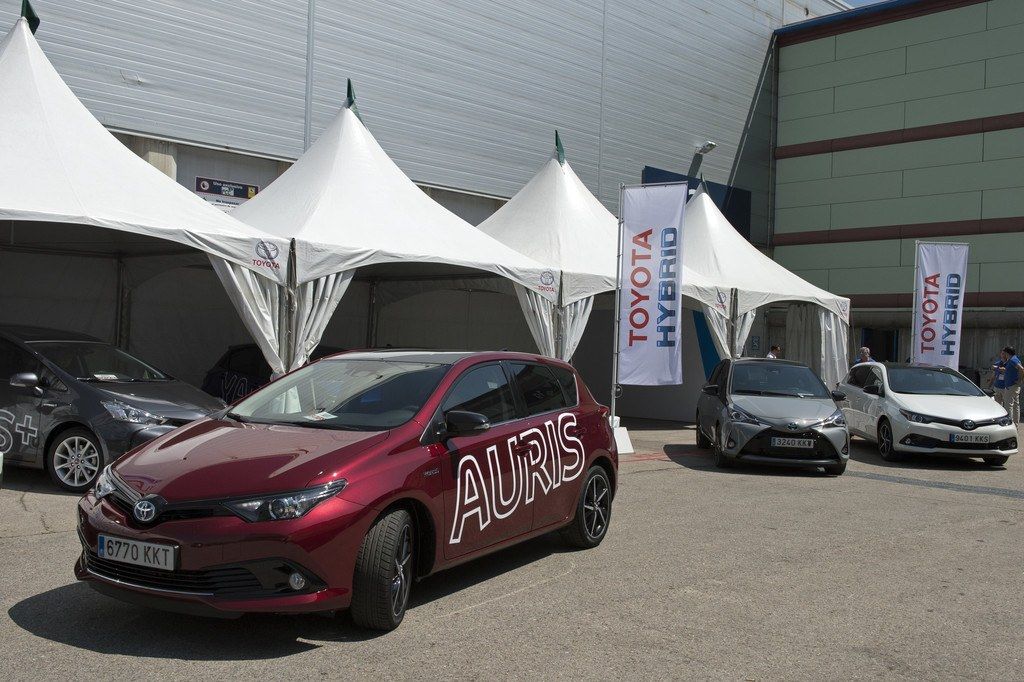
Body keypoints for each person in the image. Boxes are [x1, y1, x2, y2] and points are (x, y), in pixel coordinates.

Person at [992, 346, 1022, 425]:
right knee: (1015, 405)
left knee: (1009, 406)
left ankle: (1009, 424)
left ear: (1007, 353)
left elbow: (1022, 369)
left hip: (1011, 386)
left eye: (1004, 352)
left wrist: (1020, 380)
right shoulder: (1013, 359)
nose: (1003, 354)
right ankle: (1015, 424)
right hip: (1012, 386)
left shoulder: (1012, 360)